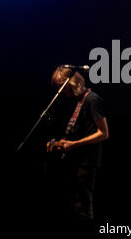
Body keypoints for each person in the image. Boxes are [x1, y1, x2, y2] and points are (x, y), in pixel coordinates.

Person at [45, 65, 109, 219]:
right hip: (76, 159)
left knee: (82, 207)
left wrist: (75, 144)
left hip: (87, 161)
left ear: (72, 83)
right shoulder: (78, 101)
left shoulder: (92, 99)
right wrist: (63, 142)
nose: (63, 92)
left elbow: (104, 133)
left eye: (63, 88)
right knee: (73, 205)